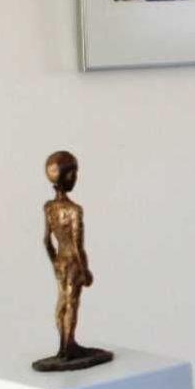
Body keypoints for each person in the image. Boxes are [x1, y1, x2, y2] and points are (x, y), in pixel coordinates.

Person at [34, 150, 113, 373]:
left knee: (62, 302)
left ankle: (64, 345)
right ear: (66, 176)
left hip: (60, 262)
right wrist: (85, 270)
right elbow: (78, 246)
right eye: (73, 173)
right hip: (73, 263)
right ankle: (68, 346)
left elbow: (47, 241)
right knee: (72, 303)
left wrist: (54, 262)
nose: (75, 177)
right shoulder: (74, 211)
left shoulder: (49, 207)